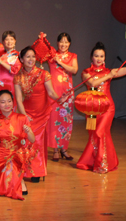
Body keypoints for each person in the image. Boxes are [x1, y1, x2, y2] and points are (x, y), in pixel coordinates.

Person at [77, 42, 126, 173]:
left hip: (107, 108)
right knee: (95, 135)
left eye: (101, 56)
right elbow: (93, 83)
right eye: (96, 56)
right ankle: (98, 161)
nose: (99, 58)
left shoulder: (109, 71)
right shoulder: (86, 72)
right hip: (92, 109)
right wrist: (109, 75)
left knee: (100, 133)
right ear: (92, 57)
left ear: (104, 58)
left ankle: (102, 164)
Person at [14, 46, 67, 182]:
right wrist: (24, 115)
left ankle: (37, 172)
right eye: (28, 57)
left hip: (42, 113)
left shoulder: (44, 74)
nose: (31, 59)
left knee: (37, 142)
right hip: (27, 113)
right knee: (26, 141)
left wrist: (59, 98)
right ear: (21, 59)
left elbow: (51, 93)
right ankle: (25, 171)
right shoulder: (18, 77)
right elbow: (19, 99)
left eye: (33, 56)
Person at [0, 90, 36, 200]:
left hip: (17, 152)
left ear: (13, 102)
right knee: (4, 176)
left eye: (9, 101)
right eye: (3, 102)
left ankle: (20, 180)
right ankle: (16, 181)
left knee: (11, 165)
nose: (7, 104)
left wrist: (29, 132)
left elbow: (32, 140)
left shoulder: (21, 118)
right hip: (2, 153)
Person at [44, 32, 78, 162]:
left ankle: (64, 148)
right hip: (53, 91)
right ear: (57, 43)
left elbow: (74, 70)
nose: (63, 44)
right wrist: (42, 39)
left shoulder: (73, 56)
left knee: (66, 121)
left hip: (67, 92)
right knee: (54, 120)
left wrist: (60, 62)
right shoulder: (52, 55)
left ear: (69, 44)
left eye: (66, 42)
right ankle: (55, 150)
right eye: (61, 42)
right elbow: (39, 52)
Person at [0, 31, 22, 115]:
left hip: (12, 85)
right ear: (3, 42)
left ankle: (10, 128)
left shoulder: (18, 55)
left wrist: (1, 62)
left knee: (11, 108)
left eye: (11, 39)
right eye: (6, 39)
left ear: (15, 41)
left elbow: (15, 70)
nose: (9, 42)